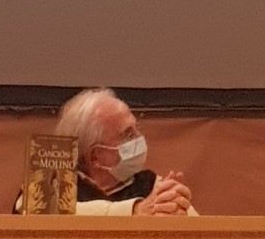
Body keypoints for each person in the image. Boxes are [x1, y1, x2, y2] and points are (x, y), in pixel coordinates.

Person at [16, 88, 196, 216]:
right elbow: (41, 214)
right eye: (127, 134)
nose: (139, 138)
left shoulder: (153, 186)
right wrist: (135, 211)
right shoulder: (53, 184)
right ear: (95, 156)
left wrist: (179, 211)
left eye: (137, 129)